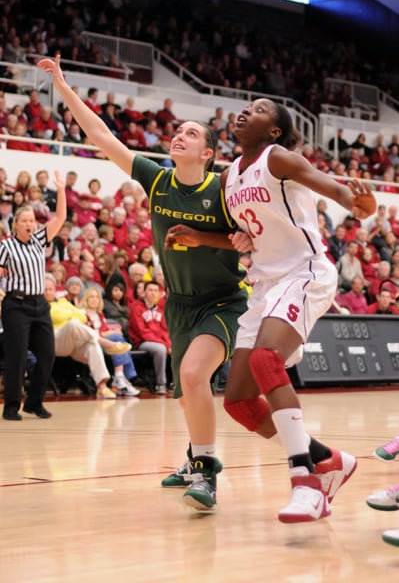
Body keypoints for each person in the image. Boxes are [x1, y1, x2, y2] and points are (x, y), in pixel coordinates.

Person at [38, 55, 251, 511]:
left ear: (208, 154)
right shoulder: (157, 180)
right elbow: (100, 134)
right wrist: (62, 84)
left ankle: (207, 474)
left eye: (192, 133)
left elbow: (250, 241)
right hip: (179, 304)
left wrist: (241, 238)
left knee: (194, 376)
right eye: (179, 130)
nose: (179, 134)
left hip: (225, 300)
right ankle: (195, 456)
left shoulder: (224, 190)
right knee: (184, 394)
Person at [216, 98, 376, 523]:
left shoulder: (280, 157)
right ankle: (329, 460)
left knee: (269, 361)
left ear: (274, 131)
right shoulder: (228, 175)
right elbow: (241, 234)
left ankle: (306, 483)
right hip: (265, 283)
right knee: (239, 402)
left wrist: (360, 205)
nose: (247, 111)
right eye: (247, 106)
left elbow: (336, 190)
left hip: (305, 271)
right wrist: (204, 238)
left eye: (261, 108)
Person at [0, 171, 67, 420]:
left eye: (32, 221)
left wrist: (60, 189)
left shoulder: (40, 239)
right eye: (25, 220)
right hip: (16, 305)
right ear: (15, 224)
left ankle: (34, 402)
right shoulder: (6, 246)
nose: (30, 224)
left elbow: (61, 216)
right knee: (16, 357)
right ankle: (11, 405)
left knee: (48, 354)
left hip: (40, 305)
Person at [80, 287, 140, 397]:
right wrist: (108, 334)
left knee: (119, 341)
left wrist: (111, 331)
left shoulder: (99, 313)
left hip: (103, 342)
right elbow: (87, 333)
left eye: (97, 297)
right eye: (91, 297)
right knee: (119, 341)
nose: (94, 299)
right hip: (90, 343)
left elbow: (104, 329)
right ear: (86, 299)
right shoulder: (82, 313)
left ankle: (120, 377)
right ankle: (120, 377)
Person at [128, 280, 171, 394]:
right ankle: (161, 384)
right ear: (144, 292)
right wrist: (165, 345)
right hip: (141, 342)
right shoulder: (136, 307)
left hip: (159, 341)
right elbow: (142, 332)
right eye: (150, 290)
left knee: (178, 346)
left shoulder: (161, 309)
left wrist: (169, 344)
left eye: (155, 291)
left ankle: (176, 382)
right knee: (160, 349)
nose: (153, 293)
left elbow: (164, 330)